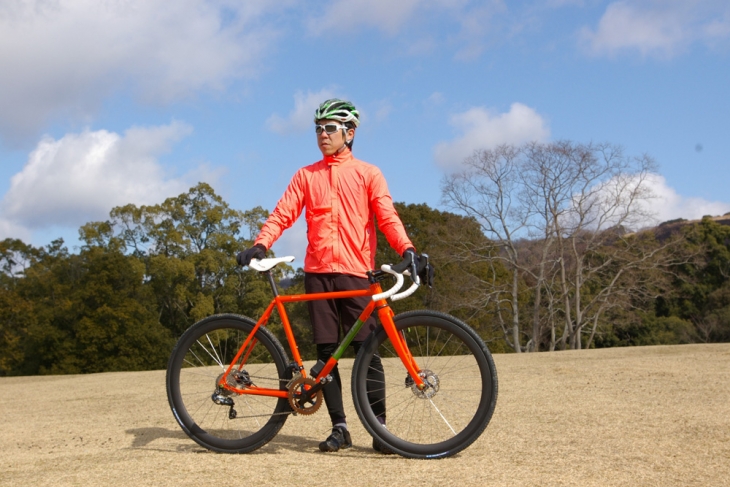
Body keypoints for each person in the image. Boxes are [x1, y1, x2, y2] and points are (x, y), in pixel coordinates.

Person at [237, 98, 419, 454]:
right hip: (318, 274)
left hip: (356, 274)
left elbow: (387, 217)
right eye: (318, 129)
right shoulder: (306, 175)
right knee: (326, 354)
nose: (322, 135)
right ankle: (340, 427)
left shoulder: (368, 173)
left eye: (330, 129)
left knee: (369, 352)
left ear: (349, 134)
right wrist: (261, 244)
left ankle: (380, 428)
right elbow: (282, 213)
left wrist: (407, 249)